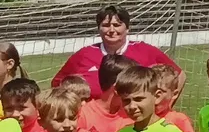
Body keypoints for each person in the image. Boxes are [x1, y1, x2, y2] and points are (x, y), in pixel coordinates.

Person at [53, 6, 181, 98]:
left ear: (127, 28)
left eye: (117, 24)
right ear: (99, 29)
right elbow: (57, 83)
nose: (111, 30)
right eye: (106, 25)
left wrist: (168, 104)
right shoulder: (84, 55)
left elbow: (179, 74)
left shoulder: (145, 50)